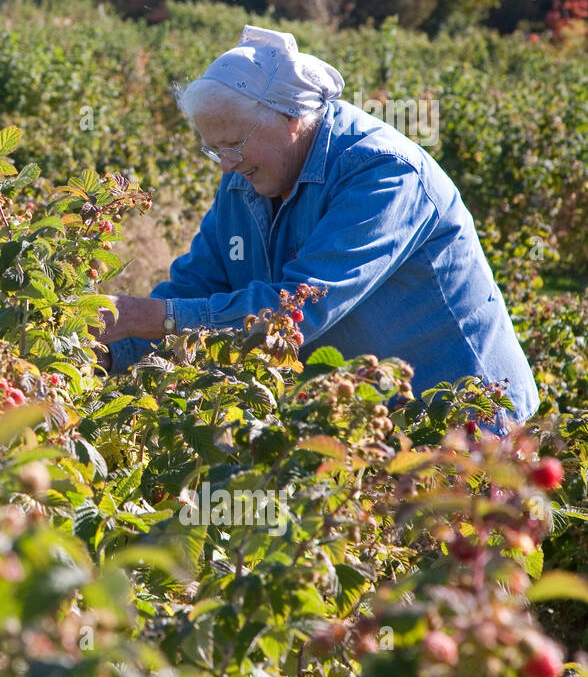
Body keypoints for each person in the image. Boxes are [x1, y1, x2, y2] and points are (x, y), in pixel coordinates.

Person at [95, 25, 538, 436]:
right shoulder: (242, 181)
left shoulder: (382, 173)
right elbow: (197, 284)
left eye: (233, 144)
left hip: (464, 421)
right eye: (215, 151)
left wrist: (154, 318)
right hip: (362, 424)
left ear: (289, 116)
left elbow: (297, 312)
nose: (227, 164)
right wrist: (107, 348)